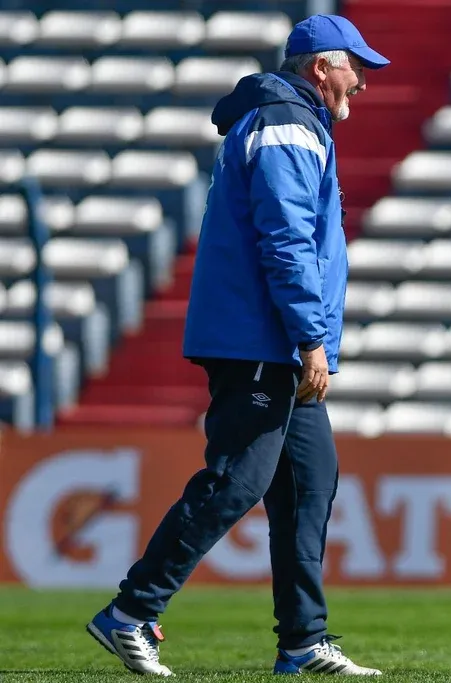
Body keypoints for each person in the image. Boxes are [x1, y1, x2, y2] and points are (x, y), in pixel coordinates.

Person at [85, 14, 389, 678]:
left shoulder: (288, 119)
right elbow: (286, 239)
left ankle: (302, 641)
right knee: (237, 478)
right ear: (321, 68)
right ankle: (131, 610)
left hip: (270, 336)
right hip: (263, 336)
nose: (363, 83)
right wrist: (310, 337)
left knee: (311, 481)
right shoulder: (289, 124)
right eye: (356, 67)